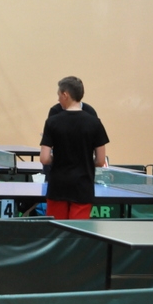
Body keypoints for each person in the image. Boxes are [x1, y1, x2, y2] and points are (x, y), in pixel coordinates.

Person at [39, 76, 109, 220]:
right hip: (83, 186)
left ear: (65, 95)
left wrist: (60, 159)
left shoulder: (52, 122)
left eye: (59, 95)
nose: (58, 99)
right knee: (76, 231)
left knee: (56, 231)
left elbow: (44, 159)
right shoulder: (95, 123)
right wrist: (83, 162)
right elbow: (101, 161)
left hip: (58, 186)